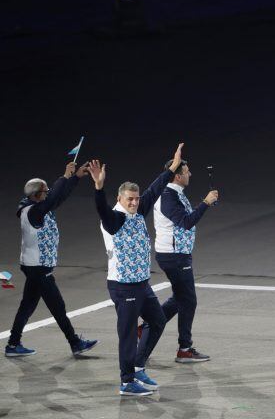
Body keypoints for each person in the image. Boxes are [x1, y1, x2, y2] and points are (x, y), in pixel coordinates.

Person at [87, 143, 183, 396]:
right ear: (119, 199)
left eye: (136, 198)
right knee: (128, 334)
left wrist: (172, 168)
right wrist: (99, 187)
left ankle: (138, 366)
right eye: (129, 198)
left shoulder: (138, 210)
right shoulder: (114, 219)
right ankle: (126, 381)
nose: (134, 202)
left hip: (141, 283)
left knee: (158, 320)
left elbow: (154, 189)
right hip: (123, 285)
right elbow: (101, 209)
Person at [6, 161, 98, 358]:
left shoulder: (35, 207)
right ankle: (75, 343)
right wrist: (65, 176)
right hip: (39, 268)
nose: (48, 193)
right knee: (58, 307)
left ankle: (13, 344)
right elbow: (54, 197)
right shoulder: (34, 212)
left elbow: (58, 198)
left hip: (33, 266)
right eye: (45, 191)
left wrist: (75, 178)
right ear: (37, 195)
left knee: (28, 305)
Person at [137, 158, 219, 363]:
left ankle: (144, 328)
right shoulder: (167, 196)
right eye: (187, 171)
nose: (190, 174)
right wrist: (206, 203)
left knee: (180, 297)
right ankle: (184, 348)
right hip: (173, 256)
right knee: (188, 300)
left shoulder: (173, 193)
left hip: (177, 253)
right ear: (177, 175)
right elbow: (186, 222)